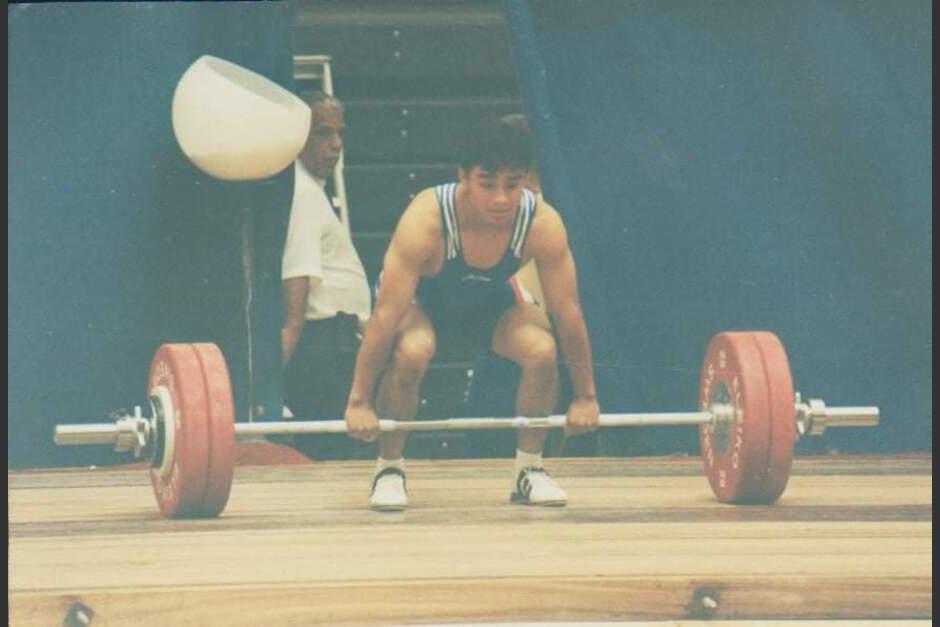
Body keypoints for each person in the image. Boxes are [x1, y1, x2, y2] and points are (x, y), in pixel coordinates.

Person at [344, 115, 600, 510]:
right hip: (421, 304)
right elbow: (385, 317)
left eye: (512, 185)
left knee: (541, 349)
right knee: (413, 350)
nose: (501, 199)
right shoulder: (427, 218)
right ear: (463, 176)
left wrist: (586, 396)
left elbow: (568, 313)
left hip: (487, 303)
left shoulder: (541, 223)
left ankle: (529, 470)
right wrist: (359, 401)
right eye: (488, 184)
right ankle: (389, 468)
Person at [280, 92, 372, 460]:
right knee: (338, 459)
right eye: (323, 134)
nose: (336, 145)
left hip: (339, 346)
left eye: (339, 134)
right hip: (322, 352)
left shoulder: (310, 191)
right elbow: (297, 284)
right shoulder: (301, 193)